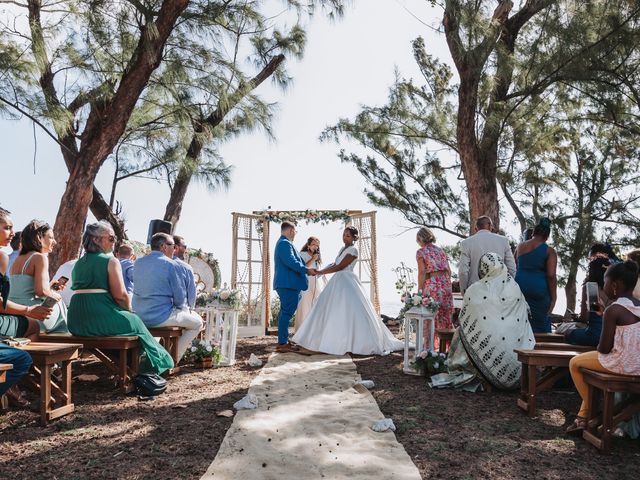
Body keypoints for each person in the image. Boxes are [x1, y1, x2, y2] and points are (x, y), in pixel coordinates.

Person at [68, 222, 173, 375]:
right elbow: (121, 295)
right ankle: (155, 364)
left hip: (76, 320)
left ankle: (131, 366)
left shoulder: (79, 263)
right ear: (96, 240)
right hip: (98, 315)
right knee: (135, 322)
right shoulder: (110, 261)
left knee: (130, 324)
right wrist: (129, 311)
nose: (114, 241)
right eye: (111, 238)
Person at [430, 253, 535, 391]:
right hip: (517, 361)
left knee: (462, 331)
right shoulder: (514, 288)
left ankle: (476, 371)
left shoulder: (476, 289)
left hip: (491, 350)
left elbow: (465, 317)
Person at [293, 227, 404, 355]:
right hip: (338, 281)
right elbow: (334, 264)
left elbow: (341, 266)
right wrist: (320, 271)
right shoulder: (342, 249)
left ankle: (355, 342)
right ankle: (328, 339)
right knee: (331, 309)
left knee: (352, 309)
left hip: (347, 280)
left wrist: (320, 272)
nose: (344, 237)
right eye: (344, 235)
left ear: (353, 238)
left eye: (348, 236)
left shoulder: (353, 250)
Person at [567, 261, 640, 434]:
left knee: (575, 363)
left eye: (605, 282)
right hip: (638, 366)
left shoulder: (613, 310)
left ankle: (592, 409)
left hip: (621, 364)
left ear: (614, 285)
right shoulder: (632, 306)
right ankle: (583, 416)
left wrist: (606, 319)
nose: (604, 286)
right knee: (590, 370)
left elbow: (604, 349)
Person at [133, 233, 202, 363]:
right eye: (172, 245)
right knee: (197, 323)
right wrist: (183, 310)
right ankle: (170, 360)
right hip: (160, 316)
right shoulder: (171, 265)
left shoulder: (138, 263)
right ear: (164, 247)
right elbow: (180, 298)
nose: (174, 249)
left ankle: (154, 357)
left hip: (139, 316)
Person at [0, 209, 52, 340]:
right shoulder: (2, 257)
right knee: (34, 326)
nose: (13, 233)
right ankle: (22, 359)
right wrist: (28, 310)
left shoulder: (16, 259)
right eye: (7, 228)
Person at [9, 220, 68, 333]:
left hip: (16, 313)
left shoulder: (18, 259)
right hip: (33, 314)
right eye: (50, 237)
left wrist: (49, 287)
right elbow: (40, 291)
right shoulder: (40, 257)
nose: (54, 241)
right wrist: (54, 294)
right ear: (39, 238)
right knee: (59, 302)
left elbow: (25, 289)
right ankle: (64, 343)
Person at [273, 221, 316, 353]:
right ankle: (282, 343)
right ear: (291, 231)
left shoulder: (284, 243)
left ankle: (283, 340)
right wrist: (306, 270)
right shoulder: (284, 244)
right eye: (295, 231)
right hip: (288, 284)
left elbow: (297, 260)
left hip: (288, 284)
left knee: (285, 312)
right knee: (286, 313)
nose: (295, 234)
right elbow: (291, 262)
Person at [566, 243, 617, 346]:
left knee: (568, 333)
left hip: (596, 336)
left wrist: (579, 318)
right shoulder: (616, 288)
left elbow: (587, 317)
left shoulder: (591, 288)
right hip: (613, 337)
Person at [514, 217, 557, 333]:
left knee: (520, 322)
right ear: (547, 236)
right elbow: (551, 275)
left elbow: (514, 266)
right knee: (540, 324)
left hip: (520, 287)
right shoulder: (549, 251)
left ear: (533, 232)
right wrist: (554, 298)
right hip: (538, 290)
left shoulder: (520, 247)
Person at [415, 227, 453, 349]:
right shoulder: (441, 251)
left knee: (430, 317)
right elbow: (449, 271)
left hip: (433, 286)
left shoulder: (421, 252)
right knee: (445, 317)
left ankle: (429, 350)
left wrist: (419, 291)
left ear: (420, 239)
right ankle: (448, 349)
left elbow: (421, 273)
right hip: (445, 286)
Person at [458, 216, 516, 294]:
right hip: (499, 290)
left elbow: (463, 271)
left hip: (475, 291)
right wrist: (508, 286)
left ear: (476, 228)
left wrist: (464, 290)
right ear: (489, 225)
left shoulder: (466, 243)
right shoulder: (503, 241)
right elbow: (511, 267)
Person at [295, 236, 326, 332]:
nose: (315, 247)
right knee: (304, 307)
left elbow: (314, 271)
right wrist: (312, 259)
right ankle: (301, 332)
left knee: (315, 307)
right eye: (313, 244)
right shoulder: (302, 254)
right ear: (308, 245)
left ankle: (313, 332)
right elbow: (302, 268)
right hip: (305, 284)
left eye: (317, 245)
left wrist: (322, 273)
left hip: (315, 284)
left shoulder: (317, 257)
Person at [172, 235, 196, 309]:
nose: (186, 250)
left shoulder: (160, 264)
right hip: (178, 312)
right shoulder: (186, 268)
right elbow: (191, 298)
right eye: (184, 247)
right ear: (176, 247)